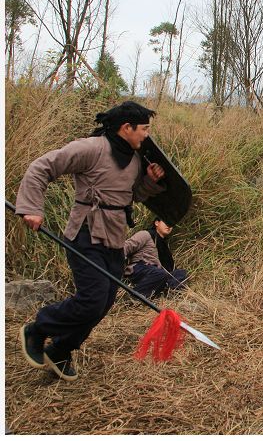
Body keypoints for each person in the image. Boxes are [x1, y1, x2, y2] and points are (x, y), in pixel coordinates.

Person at [16, 101, 166, 381]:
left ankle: (61, 348)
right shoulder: (90, 148)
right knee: (92, 299)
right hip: (85, 233)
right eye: (144, 129)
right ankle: (38, 328)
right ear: (126, 127)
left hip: (114, 237)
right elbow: (41, 168)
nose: (147, 135)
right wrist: (32, 208)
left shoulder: (133, 160)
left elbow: (128, 197)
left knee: (105, 300)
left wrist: (148, 181)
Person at [123, 217, 188, 298]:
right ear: (157, 223)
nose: (169, 226)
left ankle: (170, 297)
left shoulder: (164, 246)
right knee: (159, 273)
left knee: (180, 273)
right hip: (140, 268)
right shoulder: (145, 234)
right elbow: (125, 247)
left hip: (158, 273)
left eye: (171, 224)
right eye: (166, 222)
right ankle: (134, 298)